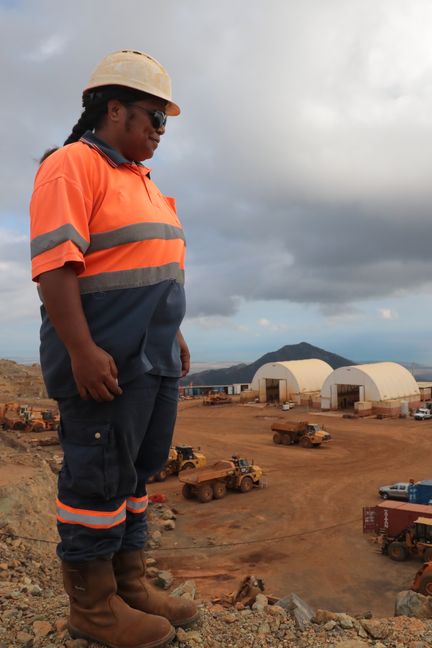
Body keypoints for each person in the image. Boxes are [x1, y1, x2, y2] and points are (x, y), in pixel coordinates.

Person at [29, 49, 198, 648]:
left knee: (134, 474)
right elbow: (55, 265)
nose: (160, 130)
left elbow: (145, 268)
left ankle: (130, 586)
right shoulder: (74, 165)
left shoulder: (141, 182)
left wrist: (170, 330)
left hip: (150, 361)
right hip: (104, 362)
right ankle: (94, 608)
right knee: (96, 481)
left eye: (165, 122)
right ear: (115, 107)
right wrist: (81, 350)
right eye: (155, 116)